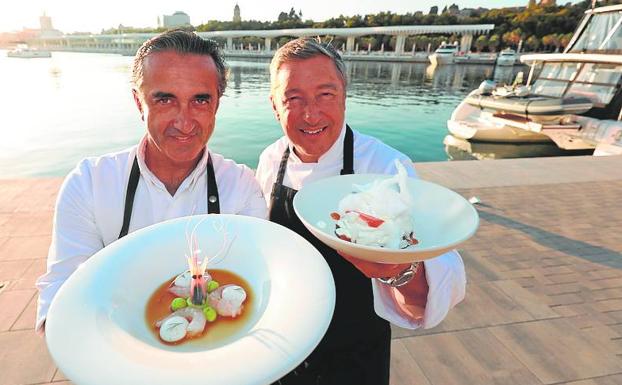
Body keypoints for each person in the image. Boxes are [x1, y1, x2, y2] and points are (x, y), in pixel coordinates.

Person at [255, 38, 466, 385]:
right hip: (282, 352)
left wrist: (398, 270)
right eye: (293, 98)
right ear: (275, 106)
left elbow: (436, 276)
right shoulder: (269, 160)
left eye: (326, 95)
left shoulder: (384, 165)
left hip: (354, 356)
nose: (311, 113)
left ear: (344, 96)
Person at [35, 30, 267, 333]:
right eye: (165, 99)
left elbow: (259, 284)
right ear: (138, 102)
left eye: (200, 100)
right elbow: (61, 297)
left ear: (216, 106)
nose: (184, 122)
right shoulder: (89, 184)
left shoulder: (242, 186)